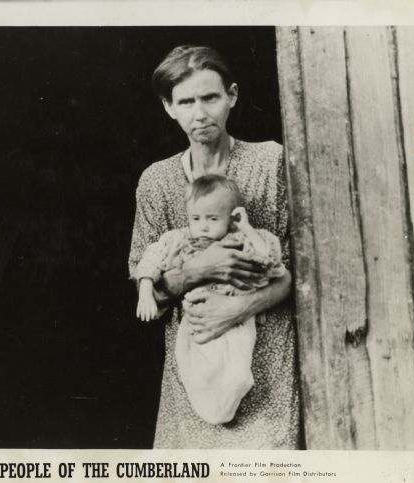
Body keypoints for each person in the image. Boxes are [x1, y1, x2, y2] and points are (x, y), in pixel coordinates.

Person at [128, 45, 300, 448]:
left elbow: (297, 274)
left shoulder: (271, 162)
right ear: (169, 107)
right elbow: (144, 279)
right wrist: (200, 270)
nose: (200, 113)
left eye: (210, 97)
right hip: (196, 361)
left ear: (232, 96)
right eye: (186, 101)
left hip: (266, 365)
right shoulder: (156, 182)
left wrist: (237, 307)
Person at [134, 174, 287, 425]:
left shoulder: (240, 240)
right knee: (193, 367)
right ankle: (211, 410)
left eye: (213, 219)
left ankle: (232, 395)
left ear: (232, 217)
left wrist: (246, 227)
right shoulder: (180, 240)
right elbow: (152, 257)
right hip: (196, 315)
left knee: (236, 371)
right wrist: (145, 290)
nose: (203, 226)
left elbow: (271, 262)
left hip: (235, 316)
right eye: (196, 218)